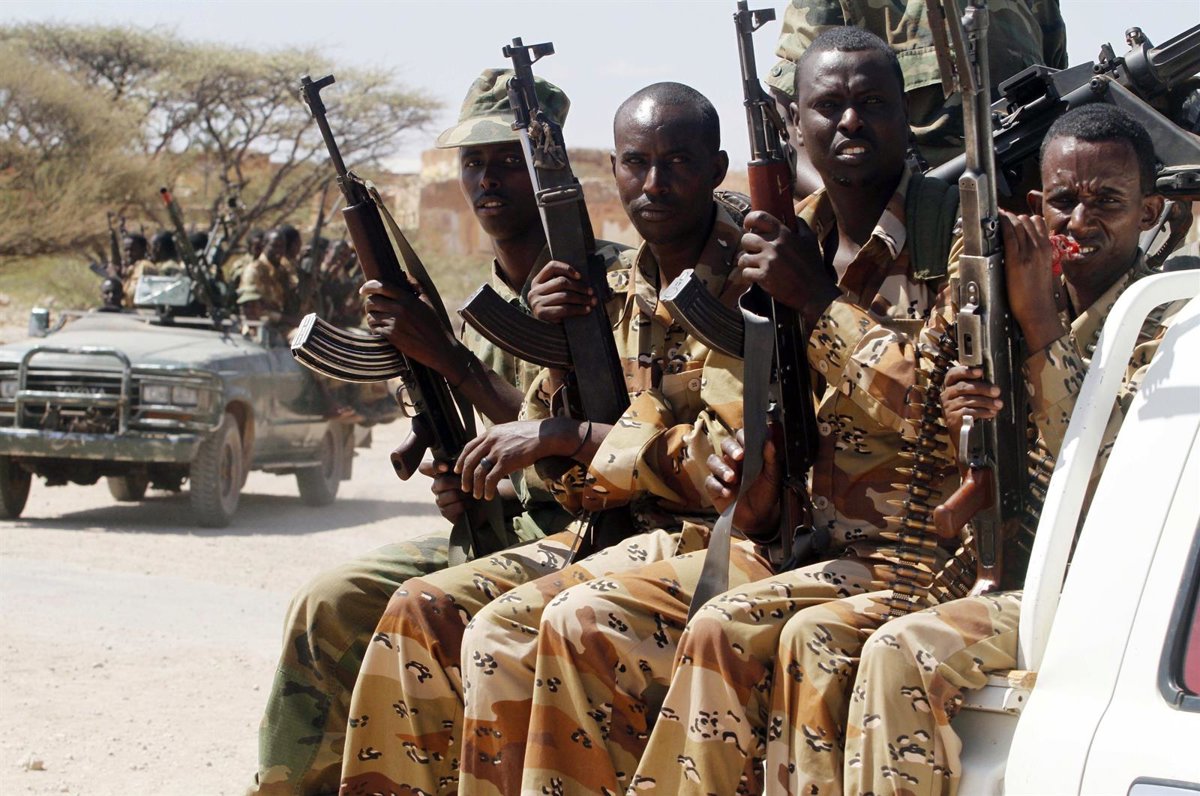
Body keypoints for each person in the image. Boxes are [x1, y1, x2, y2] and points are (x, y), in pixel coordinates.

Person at [338, 81, 746, 796]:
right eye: (636, 162)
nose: (654, 183)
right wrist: (557, 371)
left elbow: (720, 463)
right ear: (612, 171)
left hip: (710, 539)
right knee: (417, 610)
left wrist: (572, 435)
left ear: (716, 168)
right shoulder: (615, 288)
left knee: (509, 632)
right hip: (608, 528)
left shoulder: (748, 279)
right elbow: (555, 460)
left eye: (677, 162)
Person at [607, 27, 964, 795]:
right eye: (828, 106)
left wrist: (821, 303)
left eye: (873, 103)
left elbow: (948, 415)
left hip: (924, 554)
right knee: (586, 620)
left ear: (907, 116)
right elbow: (738, 407)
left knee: (726, 627)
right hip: (798, 543)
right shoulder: (781, 234)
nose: (850, 121)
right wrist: (752, 478)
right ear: (793, 123)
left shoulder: (957, 235)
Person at [249, 68, 600, 796]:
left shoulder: (593, 287)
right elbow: (498, 443)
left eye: (507, 160)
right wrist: (457, 472)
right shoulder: (489, 297)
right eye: (473, 162)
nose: (487, 179)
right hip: (506, 524)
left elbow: (582, 434)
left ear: (548, 166)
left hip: (586, 534)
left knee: (425, 614)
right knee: (328, 601)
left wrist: (448, 356)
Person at [842, 102, 1182, 796]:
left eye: (1107, 202)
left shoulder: (1167, 321)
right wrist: (960, 422)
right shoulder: (1005, 303)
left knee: (897, 653)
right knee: (814, 642)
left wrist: (1041, 326)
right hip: (997, 566)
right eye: (1062, 201)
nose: (1079, 222)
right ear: (1035, 206)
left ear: (1149, 212)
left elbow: (1106, 479)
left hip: (1101, 591)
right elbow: (942, 461)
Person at [763, 0, 1067, 196]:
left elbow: (1061, 93)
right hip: (909, 241)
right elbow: (790, 122)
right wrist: (875, 222)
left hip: (1030, 227)